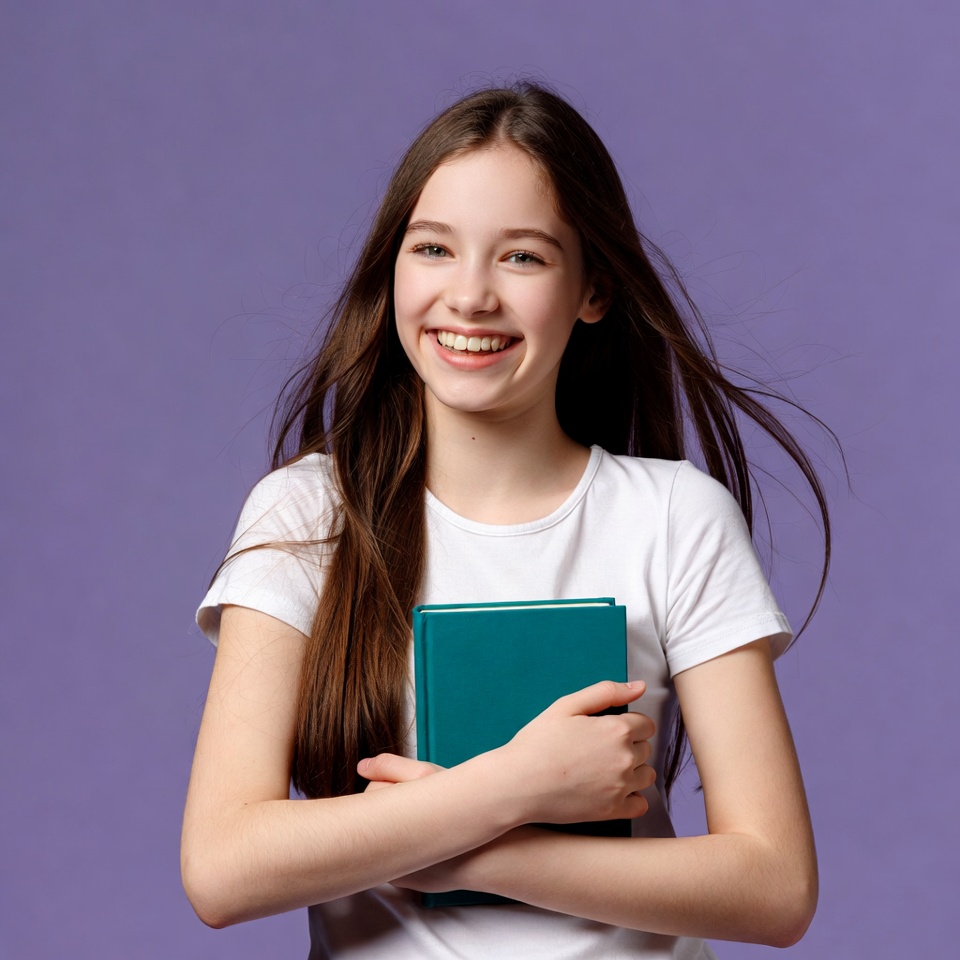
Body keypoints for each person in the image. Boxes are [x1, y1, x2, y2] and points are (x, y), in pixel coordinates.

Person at [182, 82, 828, 959]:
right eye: (434, 249)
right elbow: (222, 868)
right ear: (394, 269)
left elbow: (776, 885)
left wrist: (477, 854)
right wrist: (514, 784)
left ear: (592, 288)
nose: (471, 296)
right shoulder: (308, 514)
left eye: (521, 257)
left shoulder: (675, 517)